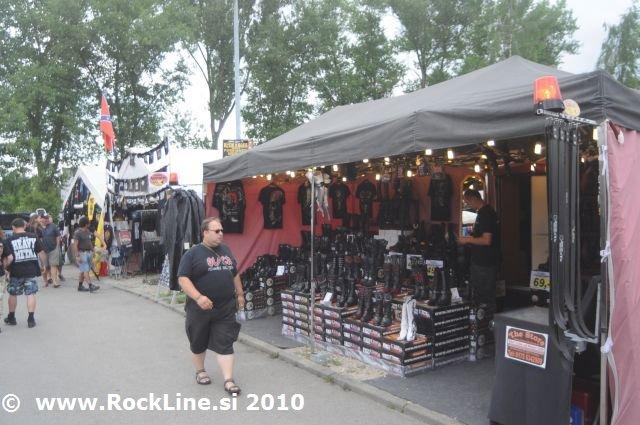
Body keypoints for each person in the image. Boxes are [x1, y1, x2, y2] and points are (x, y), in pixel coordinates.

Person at [177, 217, 244, 394]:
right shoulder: (192, 254)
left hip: (225, 307)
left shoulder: (226, 250)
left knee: (226, 342)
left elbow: (235, 273)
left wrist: (240, 294)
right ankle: (200, 371)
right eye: (216, 231)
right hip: (199, 309)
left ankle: (229, 380)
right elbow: (183, 279)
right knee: (198, 341)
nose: (221, 234)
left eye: (222, 230)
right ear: (205, 232)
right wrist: (198, 297)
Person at [458, 189, 500, 313]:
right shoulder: (484, 213)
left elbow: (487, 240)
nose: (468, 205)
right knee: (480, 294)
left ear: (473, 199)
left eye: (467, 202)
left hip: (485, 263)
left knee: (484, 296)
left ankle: (487, 320)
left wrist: (467, 240)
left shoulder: (486, 214)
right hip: (482, 261)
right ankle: (482, 318)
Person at [1, 217, 47, 328]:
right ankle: (31, 319)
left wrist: (5, 268)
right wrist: (43, 265)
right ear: (25, 226)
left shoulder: (9, 240)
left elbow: (8, 257)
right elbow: (41, 252)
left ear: (13, 227)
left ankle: (11, 317)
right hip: (31, 270)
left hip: (15, 271)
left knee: (13, 294)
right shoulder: (33, 237)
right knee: (30, 294)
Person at [71, 217, 100, 293]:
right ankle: (90, 286)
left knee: (83, 270)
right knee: (86, 270)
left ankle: (80, 286)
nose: (89, 224)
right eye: (88, 223)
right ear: (86, 224)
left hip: (88, 252)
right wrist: (77, 256)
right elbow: (75, 245)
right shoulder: (77, 233)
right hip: (81, 253)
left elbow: (89, 242)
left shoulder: (87, 231)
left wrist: (93, 251)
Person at [41, 213, 61, 288]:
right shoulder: (39, 227)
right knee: (45, 266)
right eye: (44, 218)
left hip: (53, 249)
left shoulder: (53, 226)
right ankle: (46, 281)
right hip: (43, 250)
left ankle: (55, 282)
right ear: (41, 219)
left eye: (47, 218)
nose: (46, 219)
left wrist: (57, 246)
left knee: (53, 265)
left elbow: (58, 236)